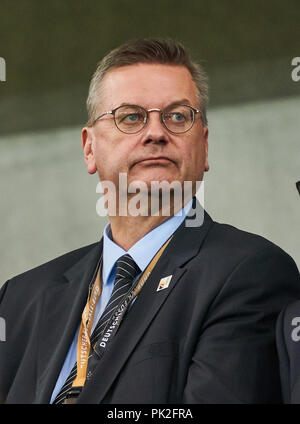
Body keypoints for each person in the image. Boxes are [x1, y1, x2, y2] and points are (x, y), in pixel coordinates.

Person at [0, 38, 299, 404]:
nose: (156, 133)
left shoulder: (250, 271)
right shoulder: (19, 299)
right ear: (89, 148)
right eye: (130, 117)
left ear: (204, 146)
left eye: (177, 116)